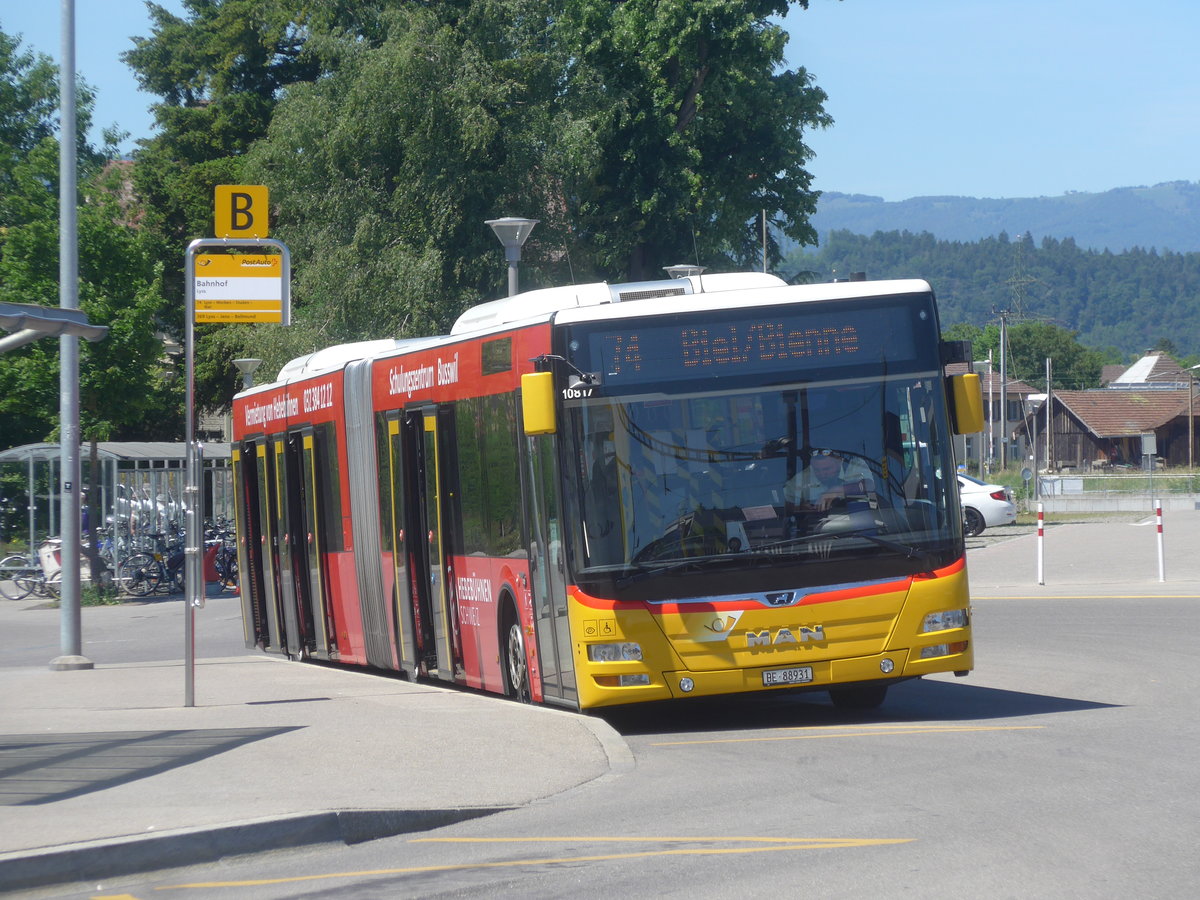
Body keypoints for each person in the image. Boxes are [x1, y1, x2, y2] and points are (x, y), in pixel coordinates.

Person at [784, 449, 873, 510]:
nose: (822, 474)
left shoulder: (854, 464)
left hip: (857, 522)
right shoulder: (804, 477)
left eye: (827, 469)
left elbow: (869, 485)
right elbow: (784, 501)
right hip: (816, 529)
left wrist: (838, 490)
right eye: (817, 470)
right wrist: (801, 506)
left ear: (839, 462)